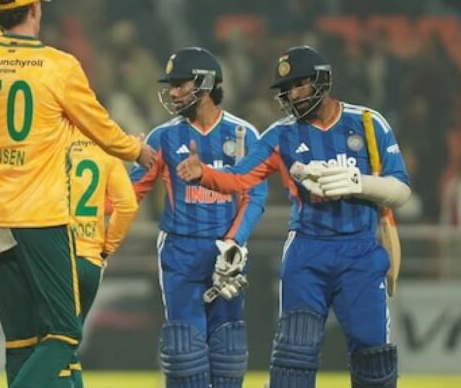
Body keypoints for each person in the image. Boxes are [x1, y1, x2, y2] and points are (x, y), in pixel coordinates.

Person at [0, 0, 156, 387]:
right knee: (64, 332)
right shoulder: (59, 65)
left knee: (19, 341)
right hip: (39, 212)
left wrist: (0, 39)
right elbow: (99, 126)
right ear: (34, 10)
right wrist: (137, 150)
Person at [176, 45, 411, 388]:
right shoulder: (280, 134)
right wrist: (204, 174)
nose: (294, 94)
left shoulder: (367, 122)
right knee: (294, 355)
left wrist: (359, 183)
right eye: (287, 88)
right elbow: (239, 178)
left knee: (372, 353)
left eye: (301, 84)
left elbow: (401, 190)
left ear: (323, 80)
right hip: (307, 251)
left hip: (360, 251)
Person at [130, 47, 268, 388]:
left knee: (227, 351)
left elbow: (255, 197)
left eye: (180, 84)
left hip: (227, 253)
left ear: (205, 84)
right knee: (184, 352)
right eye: (171, 86)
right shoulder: (162, 136)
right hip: (180, 250)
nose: (173, 93)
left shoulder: (243, 134)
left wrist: (234, 244)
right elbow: (131, 191)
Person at [66, 129, 140, 387]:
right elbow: (127, 205)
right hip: (90, 259)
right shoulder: (105, 148)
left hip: (57, 256)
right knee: (69, 342)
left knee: (51, 342)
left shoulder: (52, 142)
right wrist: (106, 248)